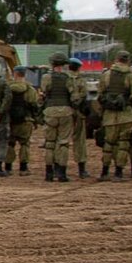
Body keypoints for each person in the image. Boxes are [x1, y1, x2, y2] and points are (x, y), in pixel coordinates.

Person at [96, 49, 132, 182]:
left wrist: (101, 115)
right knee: (123, 144)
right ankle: (118, 173)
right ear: (127, 60)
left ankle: (104, 172)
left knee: (108, 144)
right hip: (127, 116)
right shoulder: (131, 76)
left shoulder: (106, 75)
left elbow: (100, 96)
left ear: (116, 59)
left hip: (109, 116)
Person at [38, 52, 84, 182]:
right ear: (64, 64)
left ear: (52, 64)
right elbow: (75, 98)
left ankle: (49, 173)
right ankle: (62, 173)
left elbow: (43, 94)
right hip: (66, 112)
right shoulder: (69, 78)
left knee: (50, 143)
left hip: (50, 112)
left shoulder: (46, 77)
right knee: (63, 143)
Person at [4, 65, 38, 174]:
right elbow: (34, 105)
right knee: (25, 144)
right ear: (25, 74)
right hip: (26, 120)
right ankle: (23, 168)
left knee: (10, 144)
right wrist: (36, 120)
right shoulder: (30, 89)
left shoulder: (7, 88)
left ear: (15, 74)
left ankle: (8, 168)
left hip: (10, 121)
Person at [67, 59, 90, 178]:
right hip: (79, 112)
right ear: (78, 68)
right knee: (80, 140)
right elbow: (85, 94)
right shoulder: (81, 80)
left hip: (65, 111)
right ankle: (82, 169)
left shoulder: (63, 78)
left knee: (61, 139)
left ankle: (58, 169)